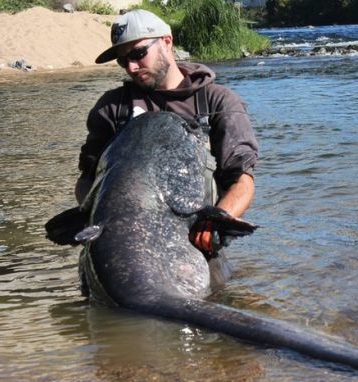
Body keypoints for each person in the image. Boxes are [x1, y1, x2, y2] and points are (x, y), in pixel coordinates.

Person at [75, 9, 259, 290]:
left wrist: (215, 223)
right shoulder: (111, 109)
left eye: (137, 54)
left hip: (195, 251)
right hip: (120, 259)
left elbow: (242, 181)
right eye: (123, 61)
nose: (131, 68)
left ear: (167, 42)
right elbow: (88, 180)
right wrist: (96, 217)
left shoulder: (218, 102)